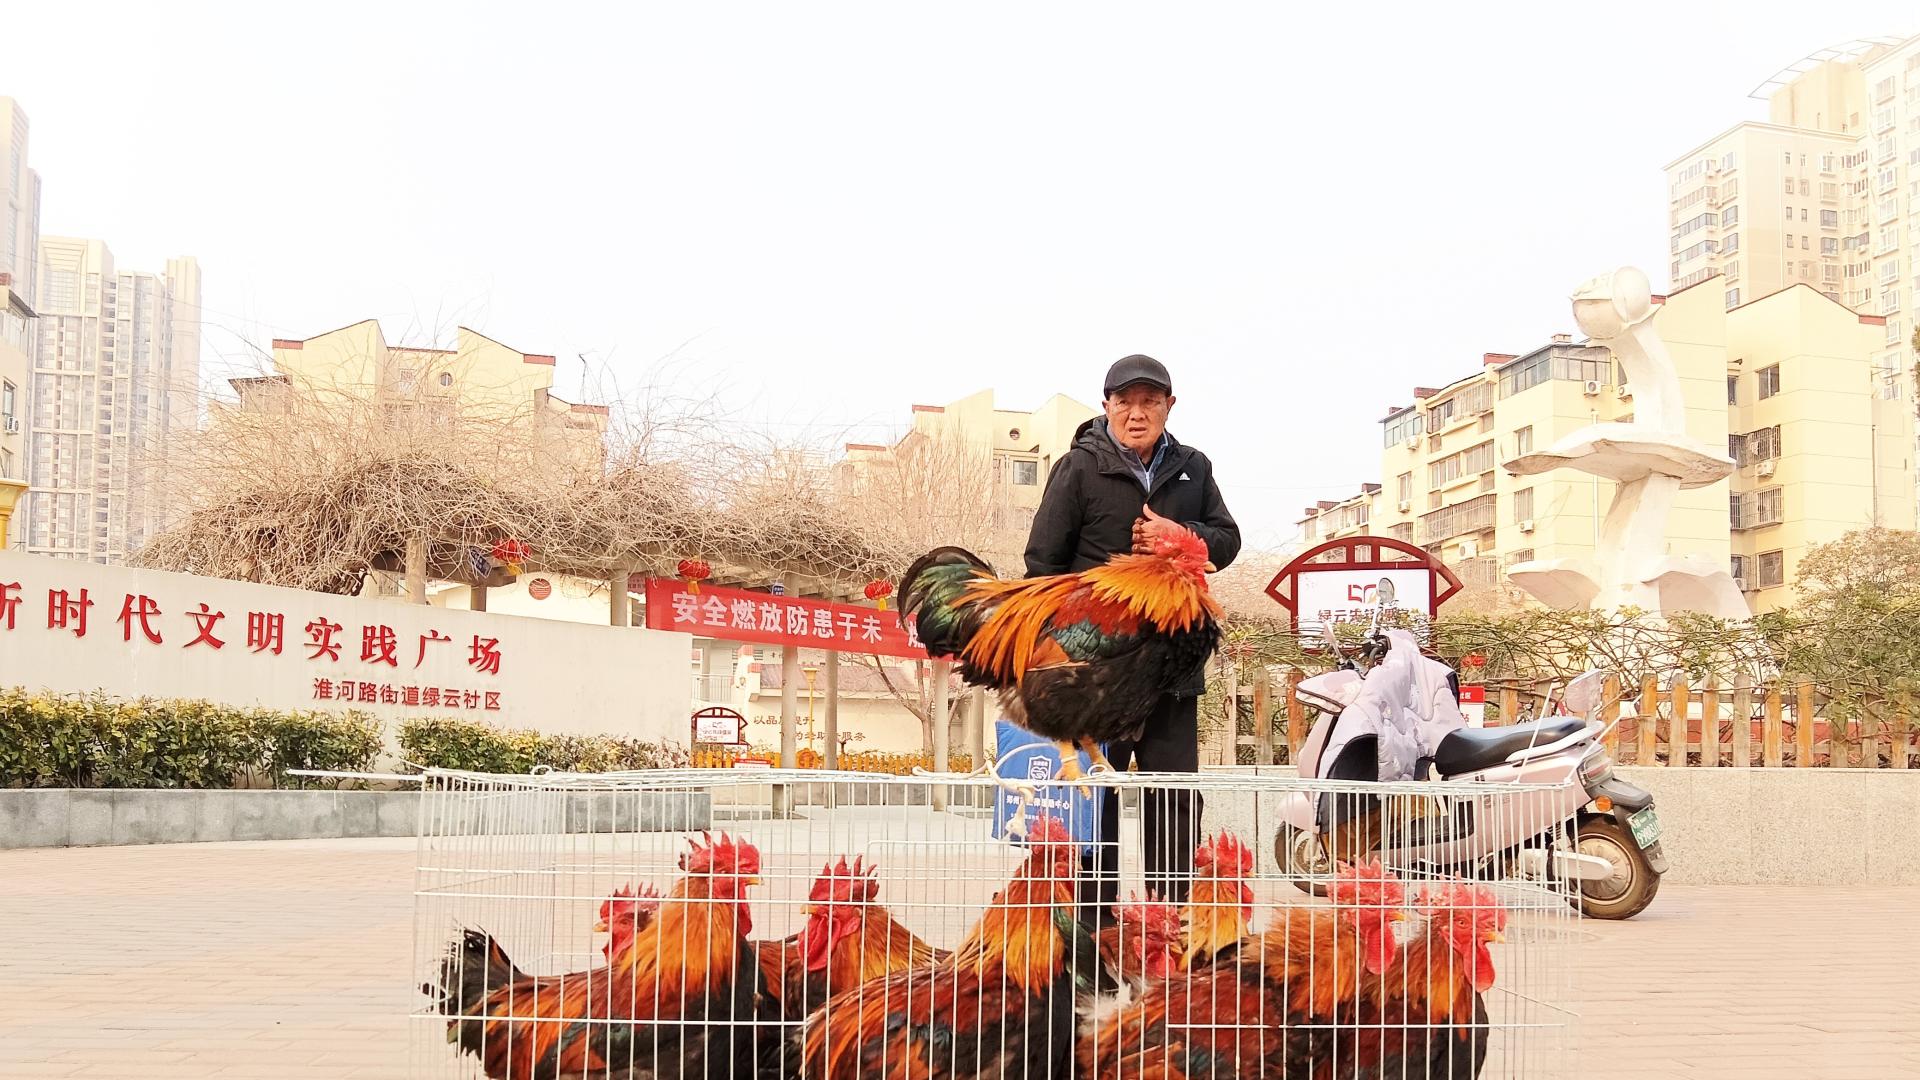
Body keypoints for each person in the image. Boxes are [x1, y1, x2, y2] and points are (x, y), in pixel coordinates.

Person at [1023, 353, 1240, 922]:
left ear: (1170, 406)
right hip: (1102, 676)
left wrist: (1181, 533)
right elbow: (1042, 563)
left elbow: (1227, 539)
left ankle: (1169, 926)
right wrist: (1067, 644)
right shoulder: (1078, 468)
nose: (1137, 413)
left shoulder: (1193, 467)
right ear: (1106, 406)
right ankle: (1096, 927)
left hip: (1172, 669)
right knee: (1098, 802)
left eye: (1150, 402)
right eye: (1125, 402)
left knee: (1173, 801)